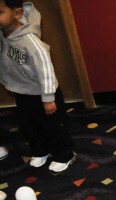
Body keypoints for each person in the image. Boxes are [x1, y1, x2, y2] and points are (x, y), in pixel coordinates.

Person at [0, 0, 76, 174]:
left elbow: (46, 68)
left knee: (54, 126)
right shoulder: (2, 36)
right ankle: (40, 150)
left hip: (43, 93)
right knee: (29, 125)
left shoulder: (30, 41)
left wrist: (48, 97)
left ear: (17, 13)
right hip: (22, 92)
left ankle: (64, 154)